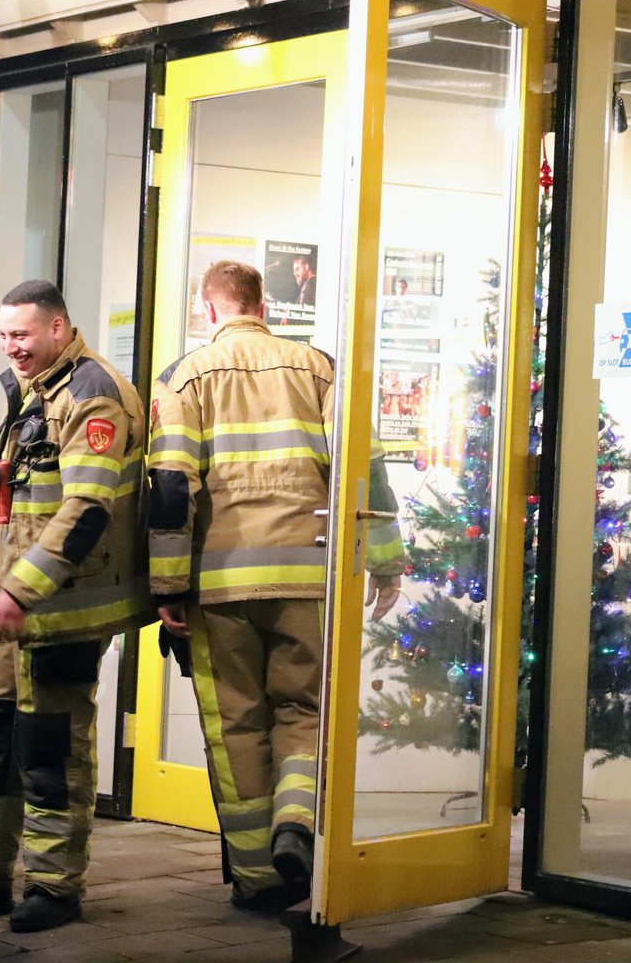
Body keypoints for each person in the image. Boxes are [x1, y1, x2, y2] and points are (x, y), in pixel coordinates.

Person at [147, 261, 404, 913]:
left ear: (209, 309)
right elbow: (365, 468)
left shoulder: (184, 377)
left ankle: (258, 877)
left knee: (237, 723)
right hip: (306, 576)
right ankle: (296, 822)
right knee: (304, 710)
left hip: (220, 583)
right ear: (264, 306)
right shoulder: (319, 369)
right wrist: (385, 560)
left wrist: (168, 585)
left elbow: (172, 486)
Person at [0, 280, 149, 933]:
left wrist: (20, 589)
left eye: (21, 334)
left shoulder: (92, 392)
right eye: (4, 335)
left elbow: (87, 509)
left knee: (52, 750)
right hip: (8, 612)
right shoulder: (32, 392)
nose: (11, 347)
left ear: (58, 328)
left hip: (59, 611)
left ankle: (53, 886)